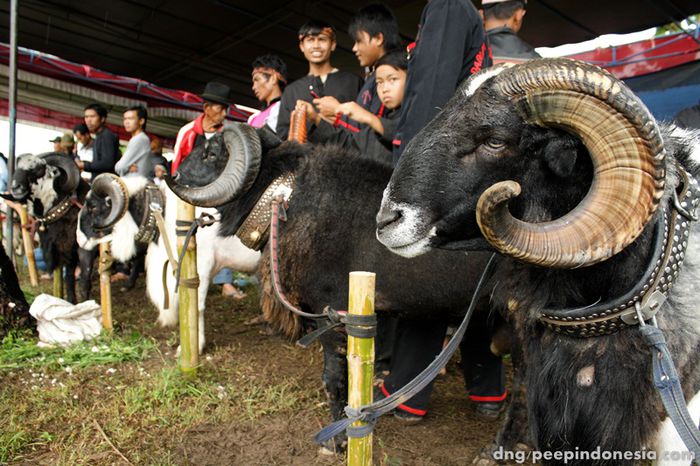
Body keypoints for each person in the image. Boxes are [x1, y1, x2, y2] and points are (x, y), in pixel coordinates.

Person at [172, 81, 246, 299]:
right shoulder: (188, 133)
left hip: (219, 194)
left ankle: (224, 282)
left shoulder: (229, 134)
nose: (223, 114)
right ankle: (185, 272)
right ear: (206, 108)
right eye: (219, 109)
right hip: (191, 194)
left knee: (219, 233)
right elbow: (177, 165)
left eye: (225, 109)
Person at [392, 0, 491, 161]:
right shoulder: (461, 10)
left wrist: (414, 164)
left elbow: (430, 96)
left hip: (432, 156)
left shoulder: (448, 7)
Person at [299, 50, 407, 165]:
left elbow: (406, 136)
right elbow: (349, 144)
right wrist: (316, 119)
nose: (385, 89)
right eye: (379, 82)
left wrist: (369, 118)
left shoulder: (419, 114)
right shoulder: (381, 123)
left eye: (392, 79)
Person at [313, 3, 401, 125]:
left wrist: (338, 111)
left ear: (378, 38)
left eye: (358, 41)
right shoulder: (373, 76)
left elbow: (374, 131)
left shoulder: (391, 73)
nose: (354, 48)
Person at [276, 20, 363, 140]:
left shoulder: (352, 81)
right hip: (306, 158)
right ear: (302, 46)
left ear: (332, 44)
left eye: (322, 39)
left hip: (347, 156)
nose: (316, 45)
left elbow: (363, 125)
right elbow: (283, 135)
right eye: (310, 40)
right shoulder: (291, 91)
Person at [77, 103, 119, 180]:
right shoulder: (99, 136)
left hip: (107, 185)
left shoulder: (107, 136)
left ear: (102, 119)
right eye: (86, 117)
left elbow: (107, 164)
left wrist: (84, 165)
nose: (88, 120)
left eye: (92, 116)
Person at [248, 54, 288, 132]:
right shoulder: (253, 118)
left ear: (273, 78)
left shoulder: (286, 110)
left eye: (257, 79)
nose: (253, 87)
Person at [115, 105, 151, 177]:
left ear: (141, 121)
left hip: (133, 184)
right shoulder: (139, 138)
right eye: (125, 119)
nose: (126, 122)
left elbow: (120, 167)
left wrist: (125, 167)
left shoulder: (139, 139)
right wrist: (128, 167)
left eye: (130, 118)